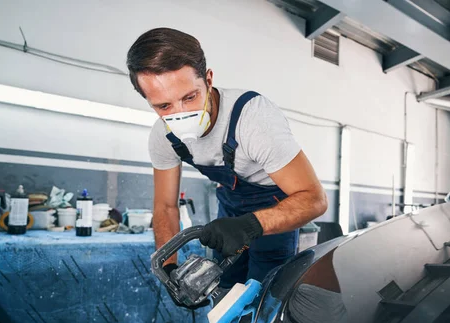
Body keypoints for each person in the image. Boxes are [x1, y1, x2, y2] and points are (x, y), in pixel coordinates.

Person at [126, 28, 327, 286]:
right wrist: (168, 265)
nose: (181, 113)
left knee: (265, 294)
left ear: (208, 80)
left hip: (279, 205)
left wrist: (252, 225)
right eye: (164, 106)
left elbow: (314, 199)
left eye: (190, 97)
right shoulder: (163, 137)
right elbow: (165, 206)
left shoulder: (254, 119)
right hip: (231, 207)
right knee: (223, 288)